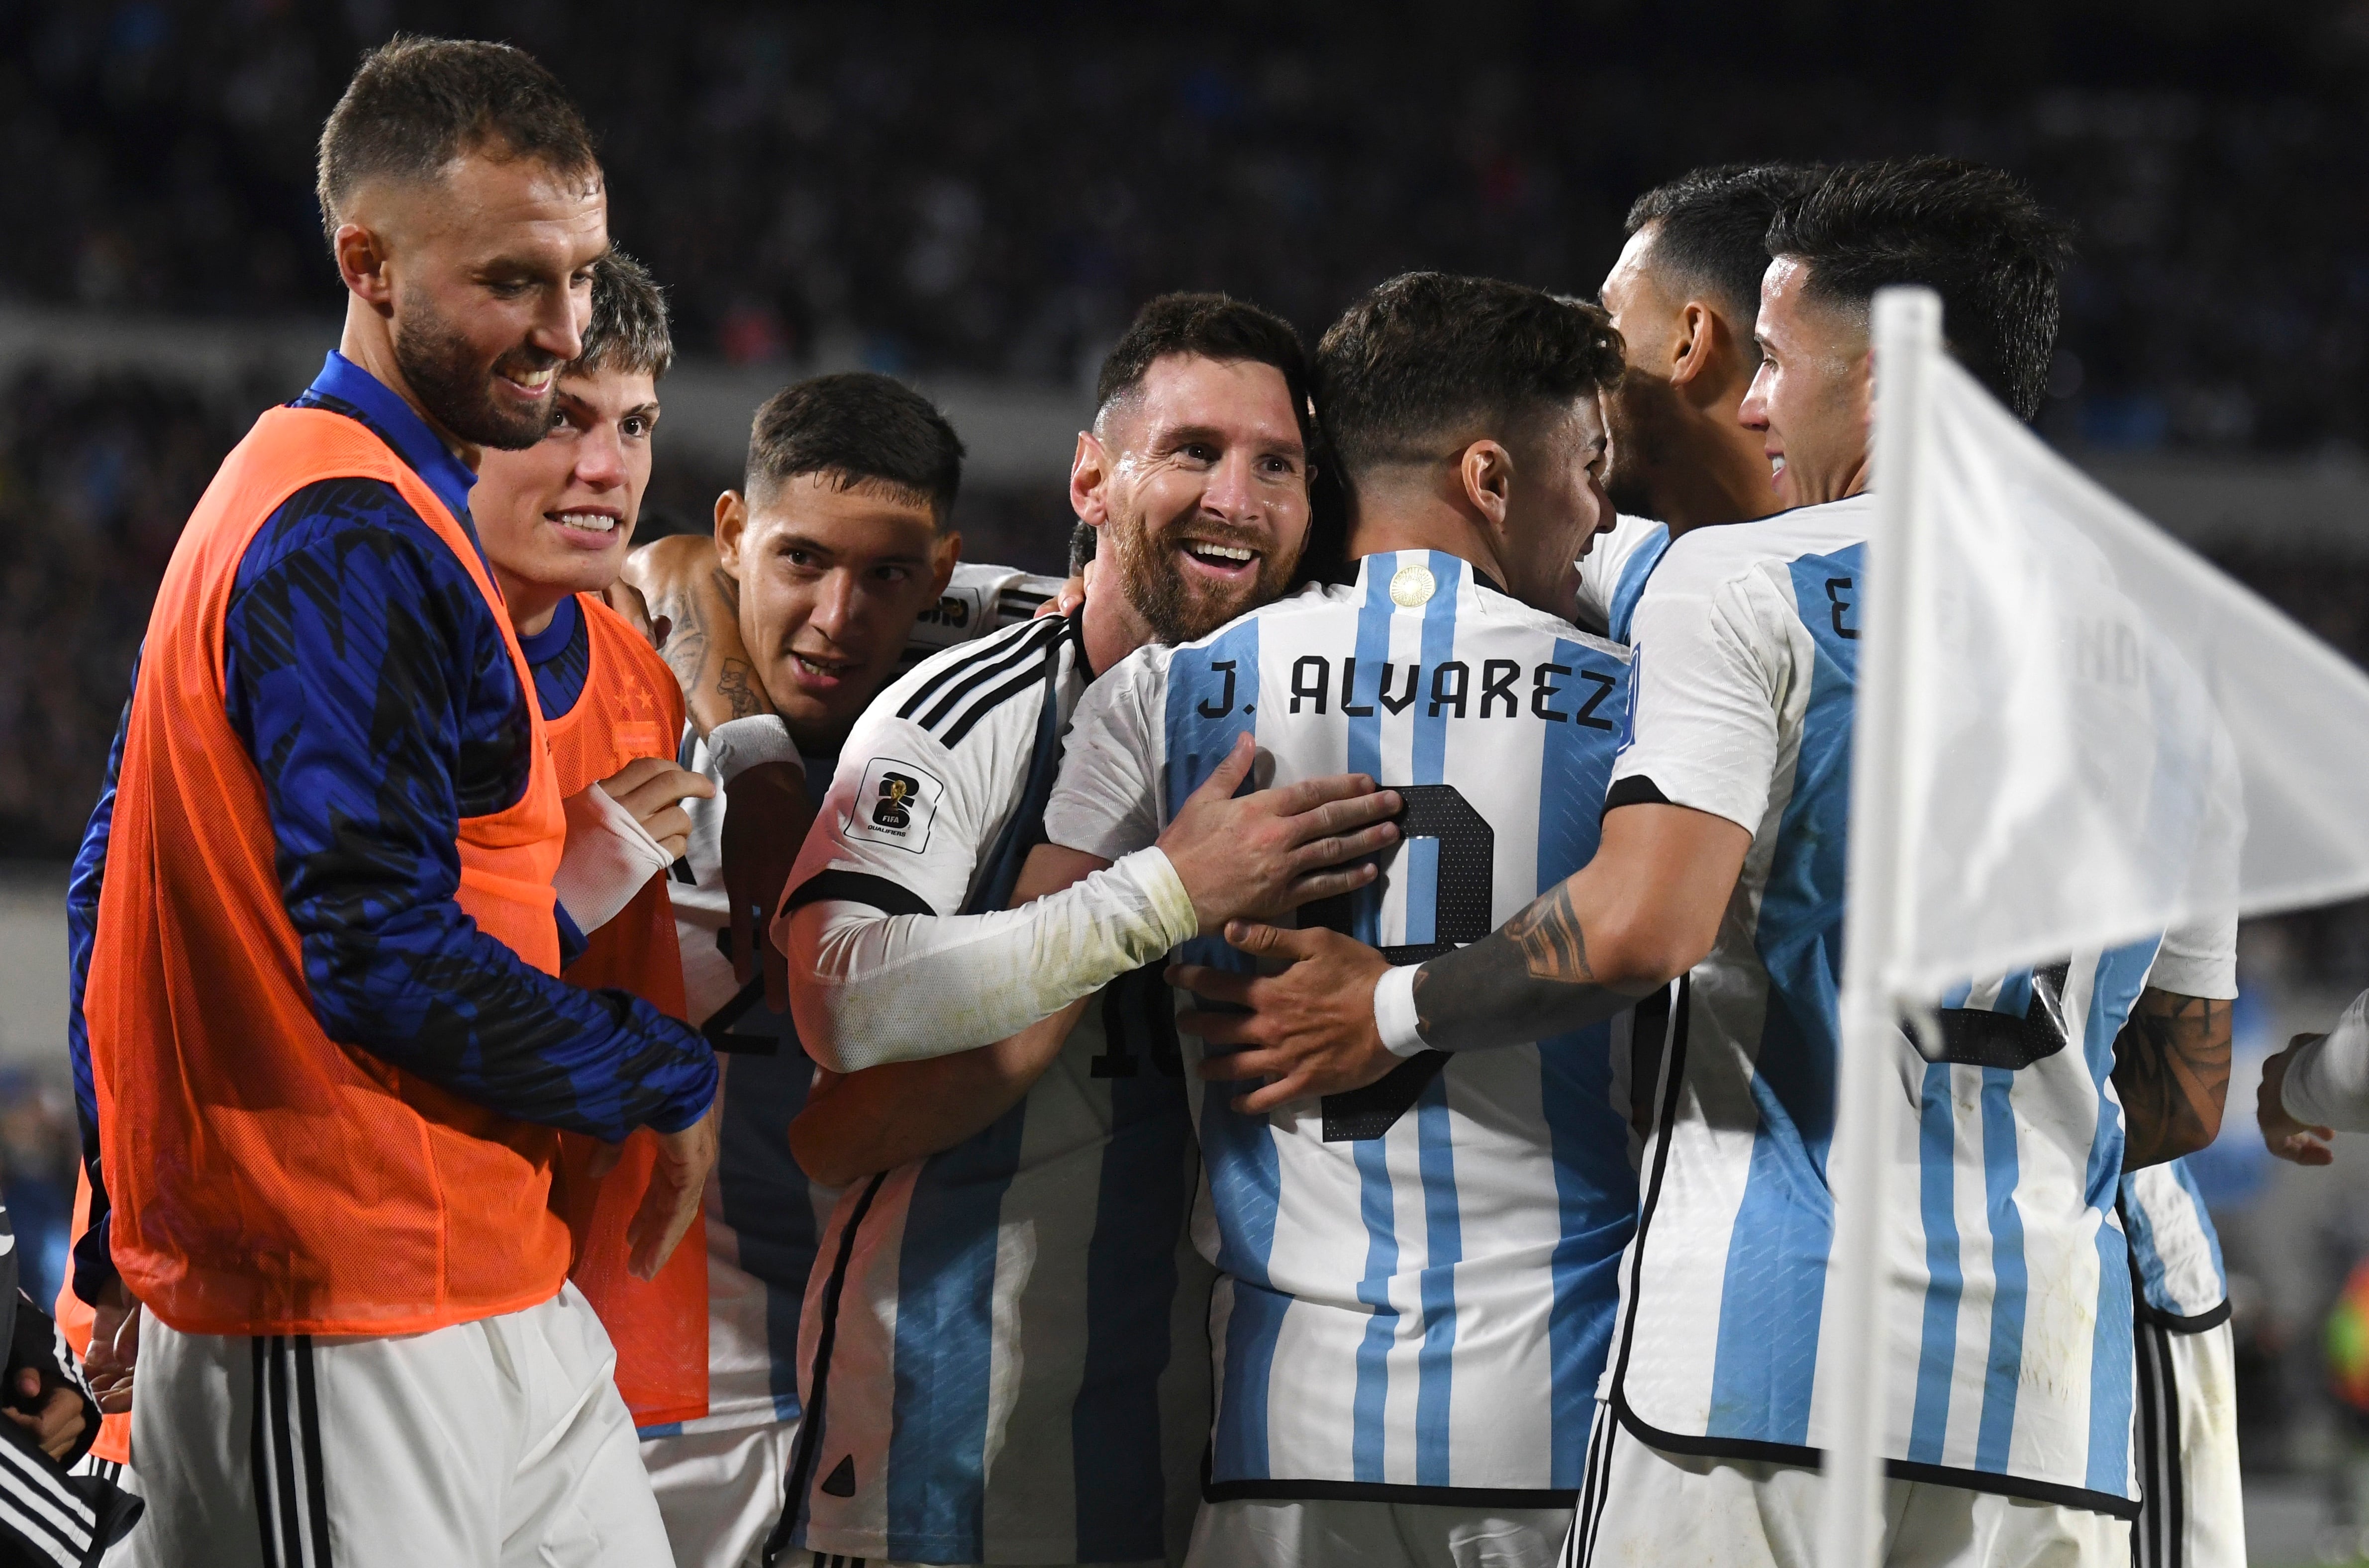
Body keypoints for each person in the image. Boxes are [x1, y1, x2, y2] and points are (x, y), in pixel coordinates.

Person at [1168, 158, 2237, 1567]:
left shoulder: (1746, 587)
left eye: (1778, 361)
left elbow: (1641, 926)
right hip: (2044, 1410)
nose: (1746, 399)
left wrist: (1381, 1010)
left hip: (1752, 1364)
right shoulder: (2174, 665)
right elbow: (2180, 1091)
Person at [71, 38, 716, 1565]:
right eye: (513, 280)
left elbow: (115, 870)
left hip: (489, 1279)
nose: (562, 332)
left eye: (582, 276)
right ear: (369, 264)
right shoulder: (342, 529)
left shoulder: (373, 503)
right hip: (330, 1302)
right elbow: (374, 953)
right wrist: (659, 1070)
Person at [770, 294, 1400, 1567]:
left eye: (1274, 463)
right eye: (1192, 451)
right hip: (938, 1443)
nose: (1236, 496)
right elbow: (842, 991)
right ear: (1090, 476)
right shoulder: (967, 710)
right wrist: (1163, 895)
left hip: (1193, 1447)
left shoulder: (1322, 721)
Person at [1033, 274, 1634, 1567]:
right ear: (1490, 475)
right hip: (1565, 1426)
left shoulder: (1170, 686)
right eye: (1585, 465)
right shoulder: (1640, 702)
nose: (1598, 510)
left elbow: (1031, 963)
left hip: (1284, 1426)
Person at [616, 372, 1070, 1568]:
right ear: (733, 535)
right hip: (670, 1388)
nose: (837, 615)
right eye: (798, 562)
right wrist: (755, 757)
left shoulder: (996, 709)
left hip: (902, 1385)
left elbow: (1080, 608)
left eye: (885, 576)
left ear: (939, 571)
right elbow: (657, 565)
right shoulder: (622, 684)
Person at [1579, 163, 1823, 642]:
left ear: (1689, 342)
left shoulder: (1875, 604)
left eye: (1612, 317)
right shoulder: (1649, 565)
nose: (1589, 357)